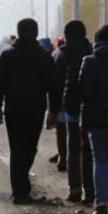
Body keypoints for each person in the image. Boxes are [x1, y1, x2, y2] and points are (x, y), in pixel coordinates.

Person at [66, 24, 108, 214]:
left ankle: (101, 203)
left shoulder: (88, 62)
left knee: (99, 160)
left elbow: (83, 91)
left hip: (95, 119)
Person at [0, 18, 57, 205]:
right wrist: (53, 111)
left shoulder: (8, 56)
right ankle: (21, 189)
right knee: (30, 148)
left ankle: (19, 189)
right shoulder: (44, 57)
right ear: (36, 33)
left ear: (18, 33)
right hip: (35, 110)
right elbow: (53, 86)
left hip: (14, 110)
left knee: (17, 148)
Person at [53, 20, 94, 203]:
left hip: (68, 109)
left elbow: (53, 86)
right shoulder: (91, 53)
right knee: (89, 150)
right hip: (90, 108)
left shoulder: (59, 55)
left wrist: (52, 111)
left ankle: (74, 188)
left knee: (72, 149)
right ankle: (90, 190)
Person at [48, 36, 69, 172]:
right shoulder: (86, 52)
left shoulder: (56, 55)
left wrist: (51, 110)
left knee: (61, 131)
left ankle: (62, 156)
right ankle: (64, 156)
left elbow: (51, 84)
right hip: (77, 102)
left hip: (60, 101)